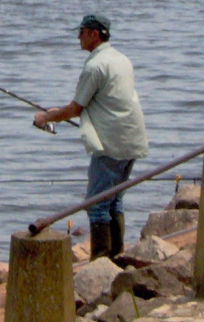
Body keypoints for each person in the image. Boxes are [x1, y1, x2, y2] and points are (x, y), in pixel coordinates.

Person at [33, 13, 149, 260]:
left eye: (82, 31)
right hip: (132, 139)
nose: (78, 36)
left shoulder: (95, 66)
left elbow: (75, 109)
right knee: (115, 199)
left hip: (111, 145)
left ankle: (100, 263)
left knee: (96, 204)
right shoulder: (121, 59)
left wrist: (45, 118)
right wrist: (57, 113)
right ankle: (117, 259)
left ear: (94, 35)